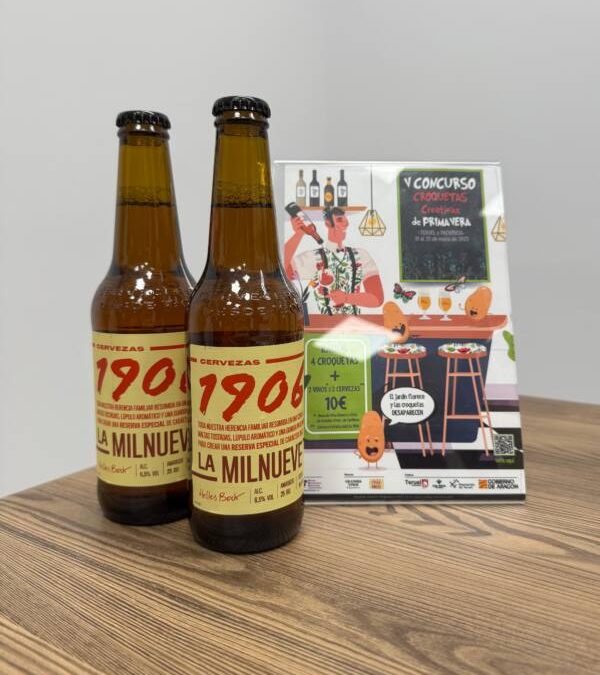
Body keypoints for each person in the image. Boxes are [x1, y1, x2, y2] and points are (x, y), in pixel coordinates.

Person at [284, 206, 384, 315]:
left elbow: (377, 298)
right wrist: (298, 234)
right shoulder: (313, 257)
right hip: (322, 323)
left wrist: (346, 298)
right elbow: (282, 272)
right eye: (340, 220)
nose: (345, 224)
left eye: (346, 220)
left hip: (354, 322)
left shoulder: (361, 255)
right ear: (327, 223)